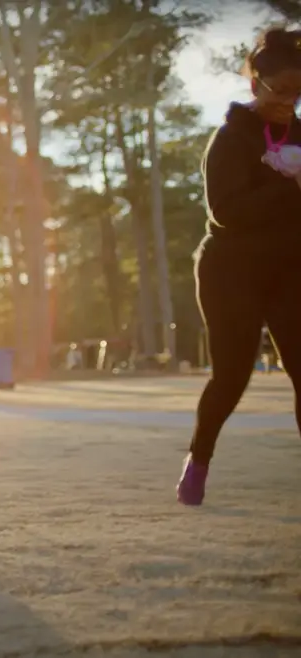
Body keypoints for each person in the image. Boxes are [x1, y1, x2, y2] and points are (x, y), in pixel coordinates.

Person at [180, 26, 301, 506]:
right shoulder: (229, 139)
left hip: (290, 268)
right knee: (231, 375)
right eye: (281, 90)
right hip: (230, 270)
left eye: (299, 91)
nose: (289, 101)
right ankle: (199, 460)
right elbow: (225, 213)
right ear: (255, 85)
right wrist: (287, 182)